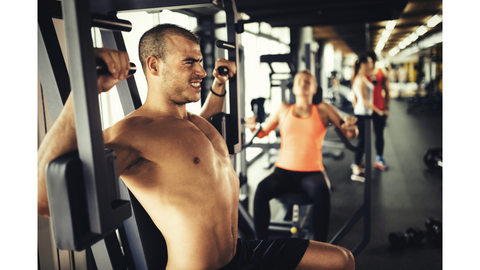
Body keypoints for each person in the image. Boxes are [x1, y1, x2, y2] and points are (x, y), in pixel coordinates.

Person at [37, 24, 355, 270]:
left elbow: (199, 129)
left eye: (200, 62)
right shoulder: (131, 134)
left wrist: (218, 85)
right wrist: (84, 90)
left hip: (241, 252)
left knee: (341, 261)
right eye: (190, 63)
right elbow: (43, 200)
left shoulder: (194, 121)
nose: (200, 71)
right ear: (154, 66)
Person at [244, 70, 358, 242]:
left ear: (314, 88)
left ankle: (319, 249)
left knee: (322, 191)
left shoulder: (323, 109)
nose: (303, 83)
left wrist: (352, 128)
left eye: (308, 80)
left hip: (312, 172)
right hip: (283, 171)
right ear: (293, 88)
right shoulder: (283, 109)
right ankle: (260, 246)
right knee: (261, 189)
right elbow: (262, 132)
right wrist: (253, 126)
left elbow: (349, 133)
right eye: (300, 80)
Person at [350, 54, 384, 182]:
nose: (372, 65)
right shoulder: (360, 79)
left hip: (364, 113)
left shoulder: (363, 78)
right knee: (361, 142)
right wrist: (378, 111)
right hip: (363, 113)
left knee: (363, 141)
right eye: (369, 63)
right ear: (363, 64)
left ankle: (358, 163)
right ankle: (356, 169)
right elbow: (364, 100)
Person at [367, 51, 392, 171]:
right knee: (362, 137)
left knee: (379, 135)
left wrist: (387, 108)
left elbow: (387, 91)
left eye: (372, 61)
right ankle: (359, 161)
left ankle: (379, 159)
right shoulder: (361, 73)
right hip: (365, 110)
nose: (370, 64)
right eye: (368, 62)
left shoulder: (382, 72)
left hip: (380, 109)